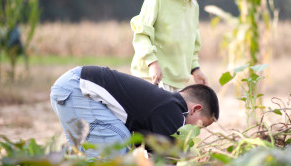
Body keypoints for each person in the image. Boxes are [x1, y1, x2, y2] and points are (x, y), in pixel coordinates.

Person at [50, 66, 219, 157]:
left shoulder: (165, 105)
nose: (195, 133)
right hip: (77, 88)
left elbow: (147, 148)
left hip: (72, 89)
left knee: (82, 155)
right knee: (117, 144)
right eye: (200, 126)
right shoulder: (174, 111)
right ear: (196, 109)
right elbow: (168, 158)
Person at [130, 0, 221, 91]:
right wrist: (152, 63)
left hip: (177, 83)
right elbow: (141, 34)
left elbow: (192, 44)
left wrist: (195, 69)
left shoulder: (193, 5)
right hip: (151, 79)